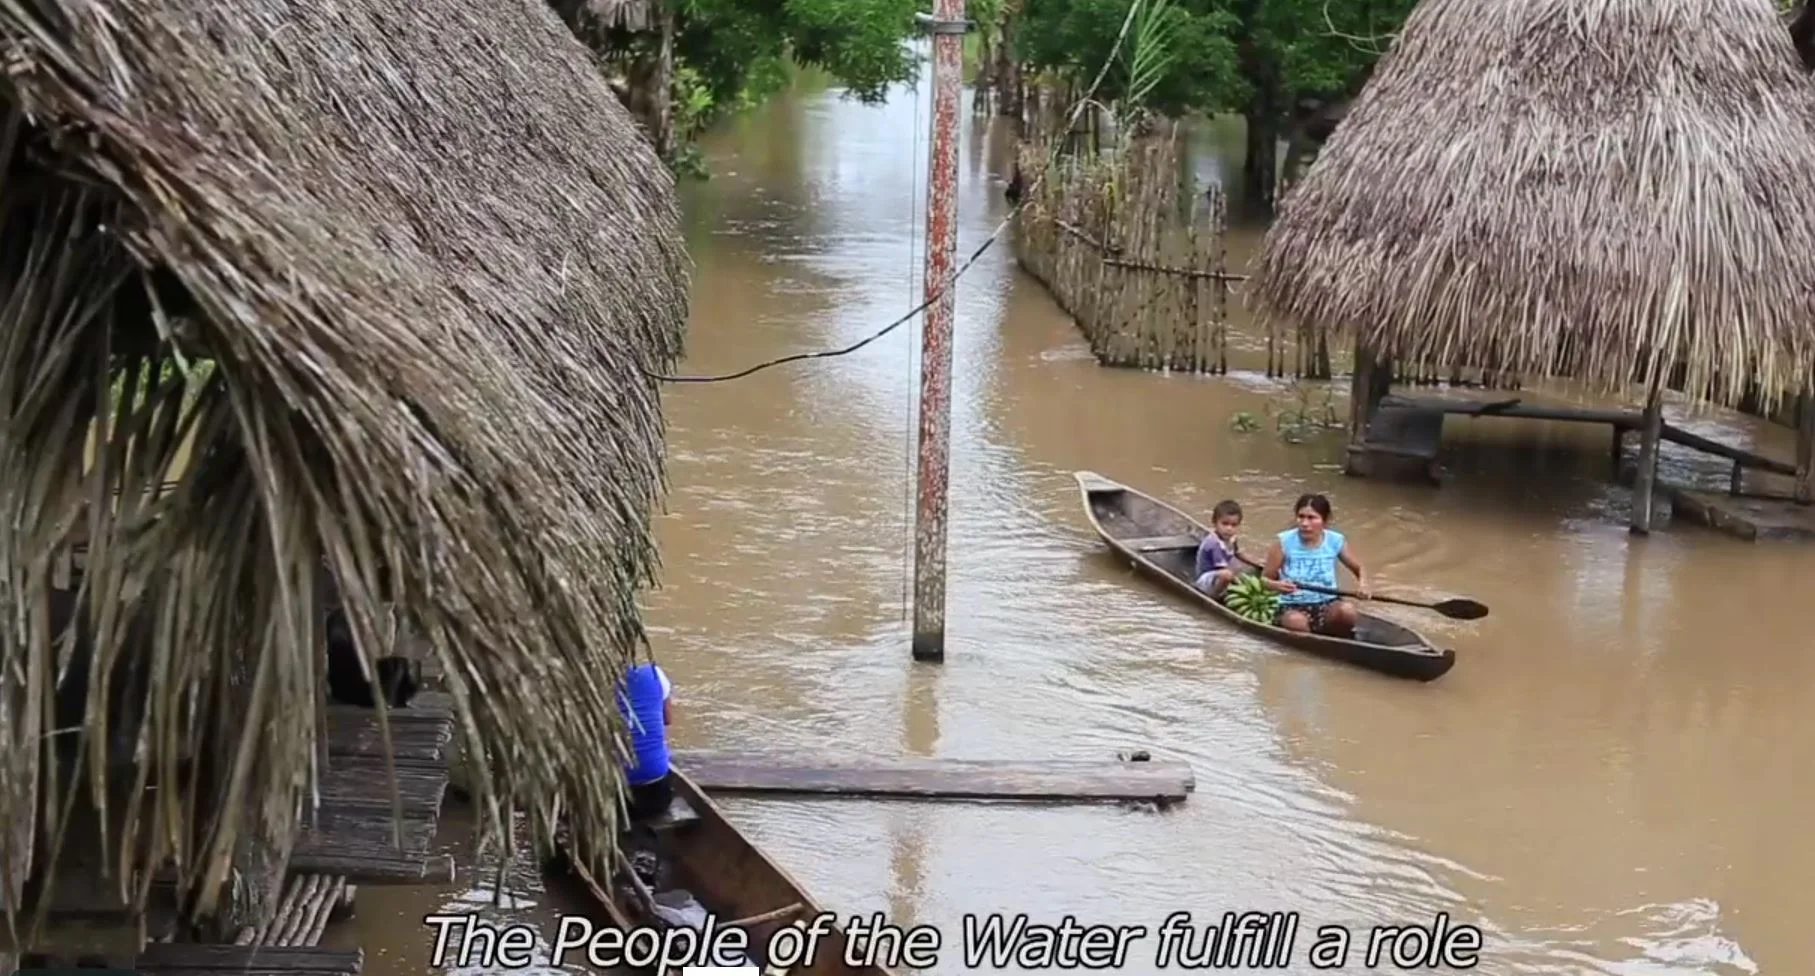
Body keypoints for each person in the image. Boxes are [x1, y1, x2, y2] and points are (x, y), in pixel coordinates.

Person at [1262, 493, 1369, 637]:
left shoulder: (1335, 540)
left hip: (1327, 602)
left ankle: (1337, 638)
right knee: (1296, 622)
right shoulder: (1283, 542)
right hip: (1293, 606)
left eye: (1312, 518)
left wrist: (1363, 585)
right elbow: (1264, 580)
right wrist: (1277, 586)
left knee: (1347, 611)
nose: (1305, 523)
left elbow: (1359, 568)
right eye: (1301, 517)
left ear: (1324, 521)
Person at [618, 660, 675, 821]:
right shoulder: (654, 673)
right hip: (658, 795)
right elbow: (667, 719)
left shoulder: (590, 685)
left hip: (617, 798)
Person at [1193, 499, 1244, 598]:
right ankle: (1214, 596)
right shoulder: (1214, 543)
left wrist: (1257, 563)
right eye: (1225, 524)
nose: (1229, 528)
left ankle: (1224, 590)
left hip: (1217, 576)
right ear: (1215, 523)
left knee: (1238, 569)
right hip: (1205, 581)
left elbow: (1238, 553)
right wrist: (1239, 584)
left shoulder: (1231, 538)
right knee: (1227, 575)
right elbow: (1223, 569)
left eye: (1233, 525)